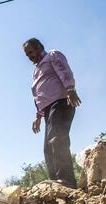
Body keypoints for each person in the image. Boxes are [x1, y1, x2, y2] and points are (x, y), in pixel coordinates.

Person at [22, 38, 81, 188]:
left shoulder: (52, 56)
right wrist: (38, 116)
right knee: (48, 147)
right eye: (26, 54)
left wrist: (71, 89)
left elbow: (64, 70)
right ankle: (56, 182)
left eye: (31, 51)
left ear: (39, 47)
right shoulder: (36, 70)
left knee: (57, 139)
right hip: (48, 110)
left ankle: (67, 180)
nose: (29, 56)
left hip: (61, 102)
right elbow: (39, 94)